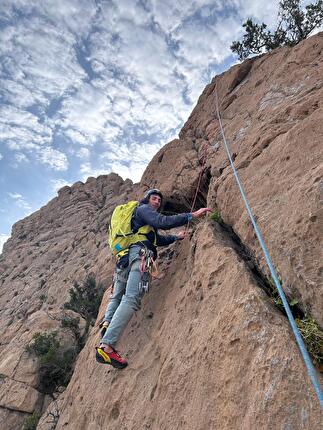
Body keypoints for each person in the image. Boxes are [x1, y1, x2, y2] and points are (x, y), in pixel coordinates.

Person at [96, 189, 211, 368]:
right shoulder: (143, 209)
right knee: (131, 299)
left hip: (125, 259)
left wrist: (175, 237)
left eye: (159, 199)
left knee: (118, 295)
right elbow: (162, 221)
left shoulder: (140, 222)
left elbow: (156, 239)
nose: (157, 202)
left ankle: (108, 322)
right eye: (154, 198)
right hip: (139, 256)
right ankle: (107, 346)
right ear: (147, 199)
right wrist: (192, 215)